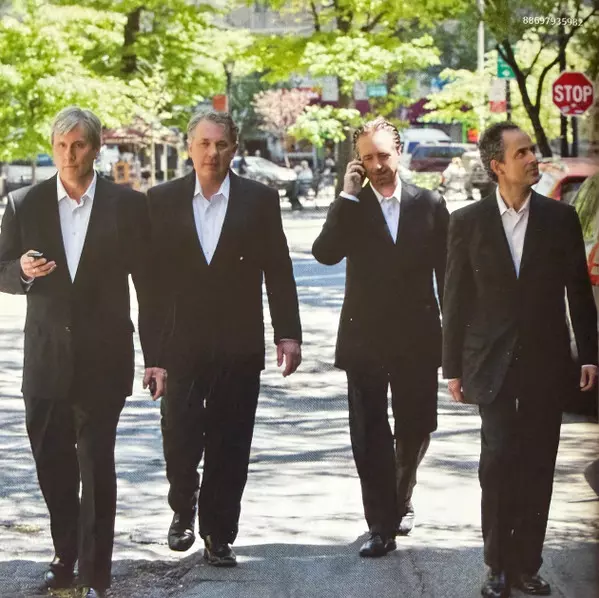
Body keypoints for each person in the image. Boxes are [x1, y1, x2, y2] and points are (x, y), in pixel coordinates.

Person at [0, 107, 162, 598]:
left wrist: (156, 356)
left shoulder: (127, 206)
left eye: (79, 145)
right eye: (61, 145)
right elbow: (0, 269)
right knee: (52, 464)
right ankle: (65, 551)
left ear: (96, 148)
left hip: (104, 357)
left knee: (95, 465)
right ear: (52, 148)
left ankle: (95, 572)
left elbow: (150, 285)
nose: (69, 155)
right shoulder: (23, 204)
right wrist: (22, 271)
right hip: (45, 358)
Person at [442, 121, 598, 598]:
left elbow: (578, 292)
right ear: (497, 166)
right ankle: (496, 566)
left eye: (532, 150)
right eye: (522, 153)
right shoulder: (467, 222)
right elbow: (455, 299)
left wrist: (590, 356)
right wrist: (452, 368)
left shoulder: (559, 218)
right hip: (489, 363)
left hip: (545, 364)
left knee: (537, 464)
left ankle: (527, 565)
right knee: (496, 463)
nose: (534, 159)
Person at [145, 111, 302, 567]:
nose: (212, 153)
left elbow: (278, 269)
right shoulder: (160, 200)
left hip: (239, 344)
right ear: (189, 148)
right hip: (180, 345)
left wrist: (287, 333)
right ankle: (183, 507)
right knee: (179, 436)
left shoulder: (259, 199)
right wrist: (153, 355)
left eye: (221, 145)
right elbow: (151, 286)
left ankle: (218, 532)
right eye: (204, 144)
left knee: (231, 443)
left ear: (234, 149)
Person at [312, 117, 449, 557]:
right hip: (364, 340)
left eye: (384, 155)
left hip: (418, 338)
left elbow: (448, 277)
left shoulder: (430, 204)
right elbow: (325, 253)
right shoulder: (352, 206)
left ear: (399, 153)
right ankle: (380, 525)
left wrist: (455, 341)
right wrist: (346, 196)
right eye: (367, 158)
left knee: (417, 427)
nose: (377, 165)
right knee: (369, 433)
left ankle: (402, 496)